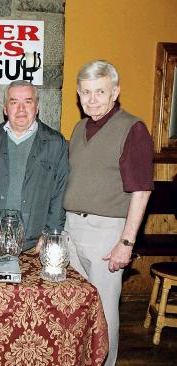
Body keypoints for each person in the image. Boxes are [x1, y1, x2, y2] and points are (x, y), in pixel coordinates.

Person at [63, 60, 154, 366]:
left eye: (100, 92)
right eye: (86, 93)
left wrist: (126, 243)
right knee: (76, 307)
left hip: (106, 235)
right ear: (78, 93)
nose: (92, 99)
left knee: (103, 311)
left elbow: (141, 190)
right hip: (71, 230)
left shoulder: (133, 129)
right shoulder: (79, 128)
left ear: (115, 91)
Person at [0, 80, 68, 252]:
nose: (21, 109)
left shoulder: (55, 143)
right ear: (5, 108)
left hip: (34, 245)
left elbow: (60, 193)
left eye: (27, 101)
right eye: (13, 102)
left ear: (37, 107)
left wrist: (51, 232)